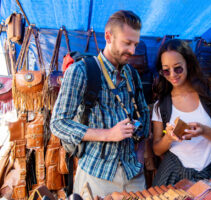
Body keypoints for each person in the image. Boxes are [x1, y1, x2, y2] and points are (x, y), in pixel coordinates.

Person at [50, 10, 150, 197]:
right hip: (97, 176)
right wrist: (108, 134)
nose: (133, 51)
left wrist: (140, 158)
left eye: (135, 44)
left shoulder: (132, 75)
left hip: (134, 175)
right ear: (108, 37)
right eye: (127, 43)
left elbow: (144, 113)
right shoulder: (81, 71)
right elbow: (58, 123)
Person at [151, 39, 211, 186]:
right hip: (172, 175)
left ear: (188, 64)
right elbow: (157, 149)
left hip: (209, 174)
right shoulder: (161, 106)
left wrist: (204, 131)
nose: (172, 75)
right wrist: (169, 138)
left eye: (178, 68)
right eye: (166, 70)